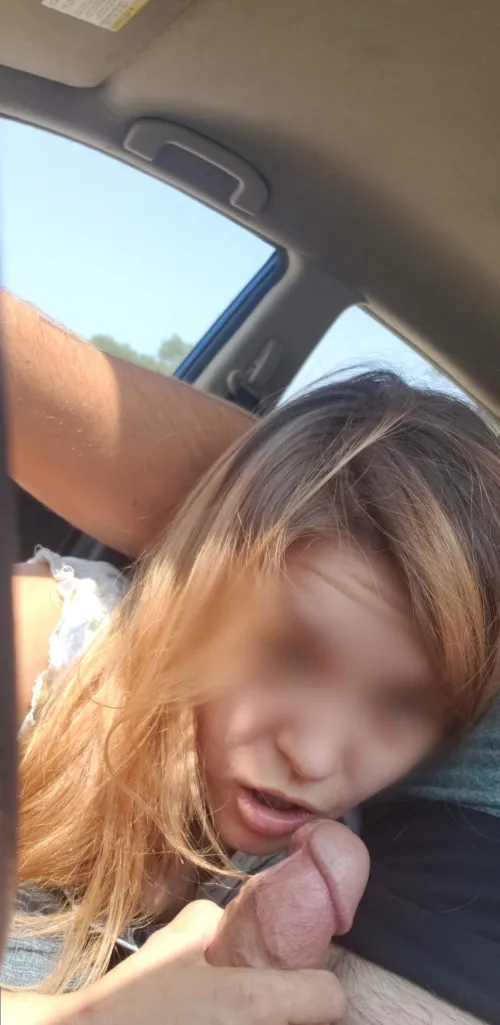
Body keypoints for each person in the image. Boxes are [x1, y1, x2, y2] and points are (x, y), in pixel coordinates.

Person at [3, 291, 499, 1025]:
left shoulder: (342, 859)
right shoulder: (49, 650)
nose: (315, 755)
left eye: (405, 704)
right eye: (286, 652)